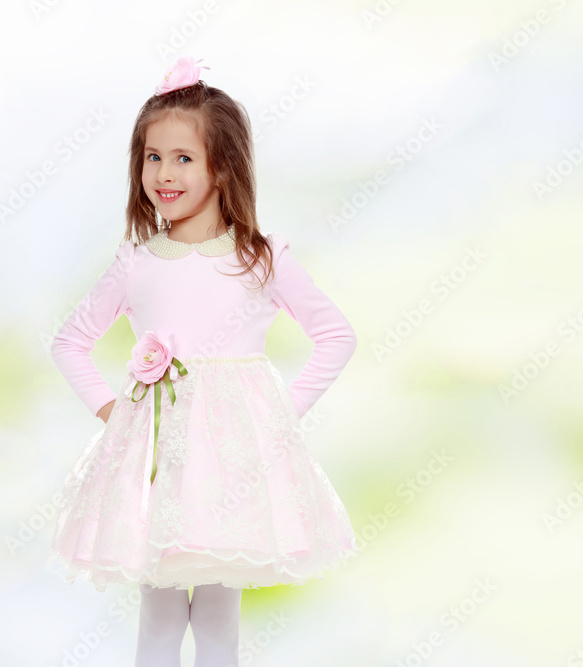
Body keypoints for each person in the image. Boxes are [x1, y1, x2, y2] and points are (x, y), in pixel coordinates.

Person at [44, 56, 359, 667]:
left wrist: (279, 414)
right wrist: (112, 412)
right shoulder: (137, 261)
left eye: (184, 157)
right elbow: (69, 341)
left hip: (236, 462)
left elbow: (335, 335)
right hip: (158, 460)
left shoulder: (260, 257)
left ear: (225, 166)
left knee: (219, 621)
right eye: (153, 156)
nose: (164, 172)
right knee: (159, 618)